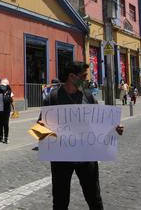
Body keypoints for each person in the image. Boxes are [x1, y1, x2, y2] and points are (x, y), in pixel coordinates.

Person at [38, 61, 124, 210]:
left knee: (94, 199)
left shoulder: (88, 95)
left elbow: (99, 122)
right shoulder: (53, 98)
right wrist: (51, 132)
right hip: (61, 159)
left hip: (86, 157)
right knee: (60, 201)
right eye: (84, 76)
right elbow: (40, 129)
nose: (86, 80)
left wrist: (114, 128)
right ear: (72, 77)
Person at [0, 78, 13, 144]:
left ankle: (6, 138)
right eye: (1, 85)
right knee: (0, 124)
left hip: (6, 111)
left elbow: (11, 101)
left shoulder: (9, 92)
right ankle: (1, 136)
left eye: (3, 86)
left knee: (6, 124)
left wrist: (14, 109)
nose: (2, 87)